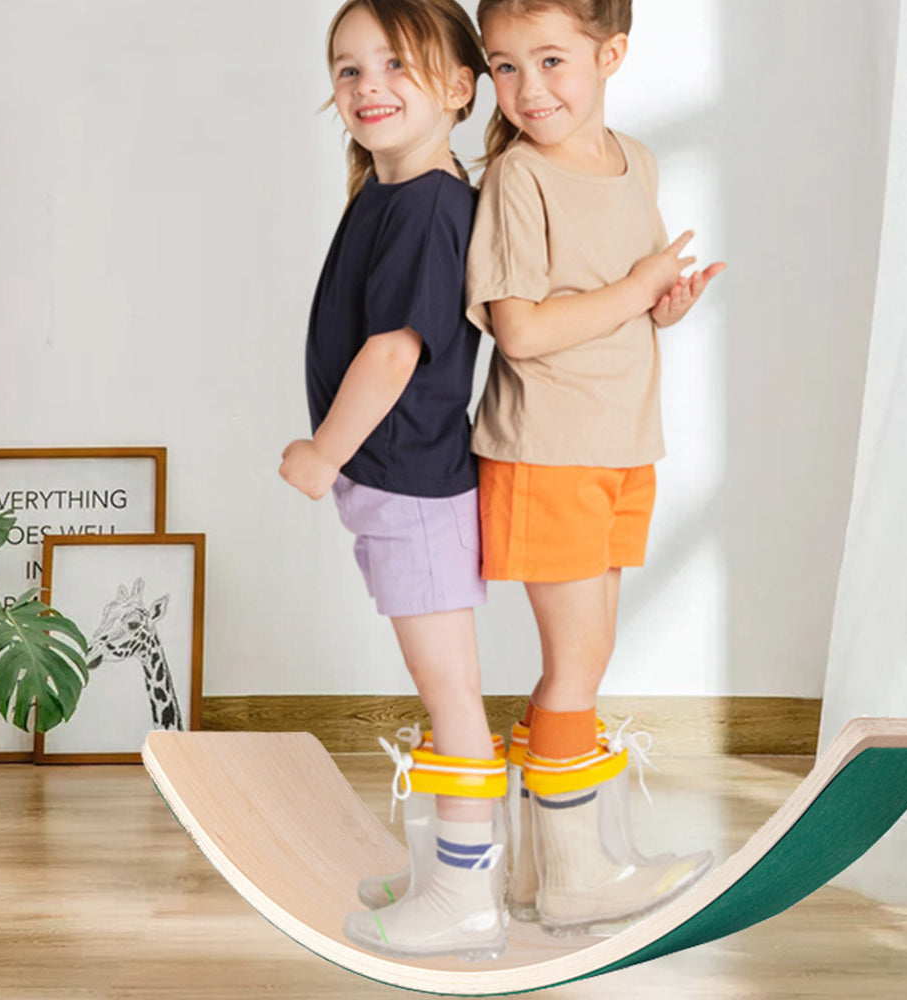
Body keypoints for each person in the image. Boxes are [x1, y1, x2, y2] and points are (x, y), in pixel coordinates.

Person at [466, 0, 725, 936]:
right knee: (579, 665)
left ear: (611, 53)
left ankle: (542, 871)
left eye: (551, 62)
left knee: (586, 659)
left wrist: (663, 306)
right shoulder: (517, 176)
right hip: (547, 449)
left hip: (620, 443)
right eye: (504, 67)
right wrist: (636, 287)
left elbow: (616, 299)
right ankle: (576, 879)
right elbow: (521, 329)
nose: (528, 90)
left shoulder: (637, 160)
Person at [279, 0, 507, 961]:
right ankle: (443, 869)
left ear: (458, 89)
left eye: (397, 66)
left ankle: (467, 892)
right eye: (348, 70)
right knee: (436, 682)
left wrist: (323, 451)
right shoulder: (387, 193)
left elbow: (395, 351)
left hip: (412, 487)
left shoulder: (429, 204)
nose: (369, 86)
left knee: (450, 689)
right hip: (399, 488)